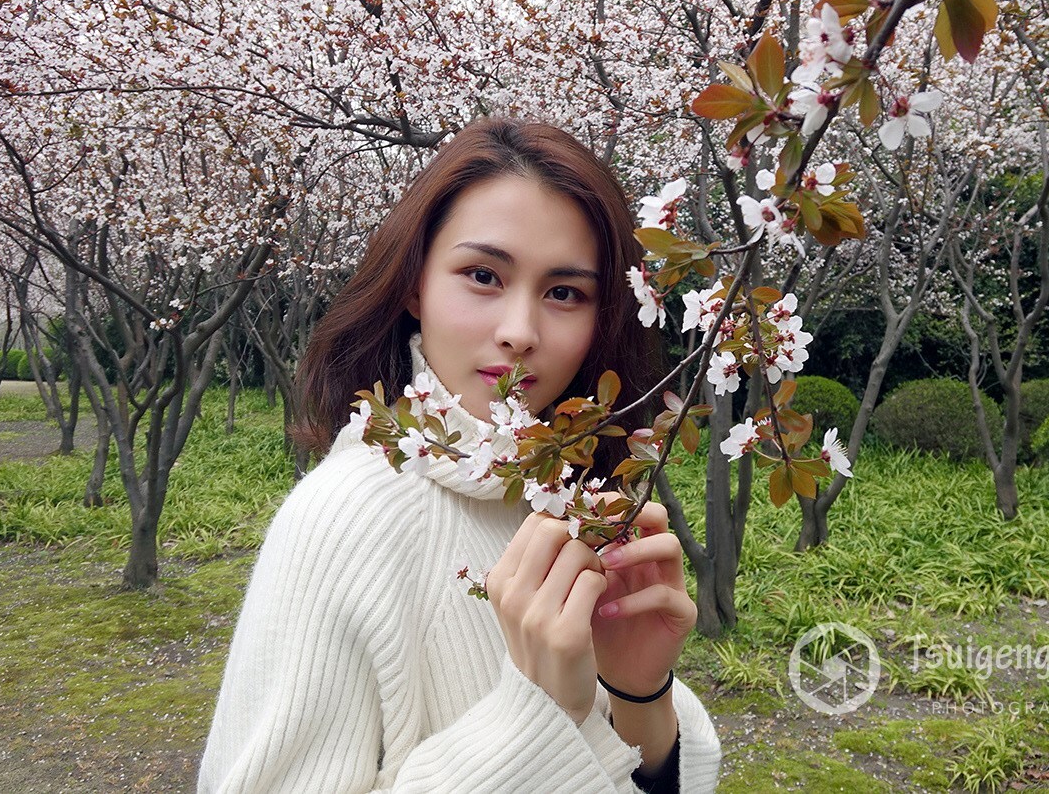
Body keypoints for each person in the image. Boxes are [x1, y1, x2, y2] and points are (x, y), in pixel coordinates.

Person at [198, 118, 723, 792]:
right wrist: (538, 714)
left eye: (565, 292)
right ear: (416, 284)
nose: (519, 332)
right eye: (482, 275)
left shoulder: (564, 495)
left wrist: (641, 695)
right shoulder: (343, 519)